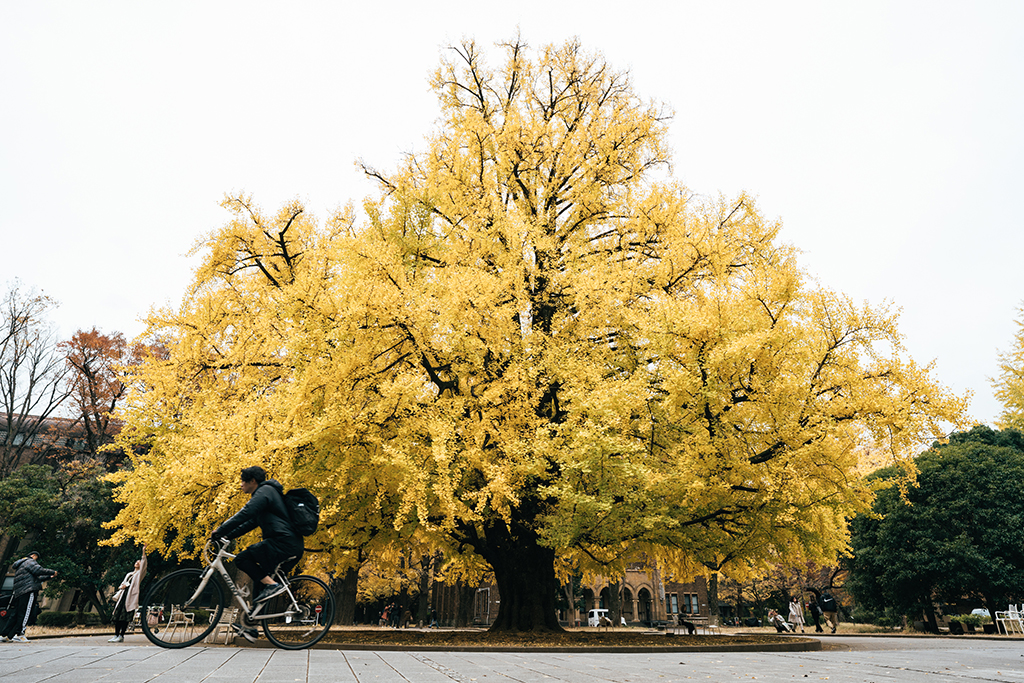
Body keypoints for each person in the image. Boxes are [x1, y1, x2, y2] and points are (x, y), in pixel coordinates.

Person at [211, 466, 303, 641]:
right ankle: (251, 626)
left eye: (243, 481)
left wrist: (219, 531)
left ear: (253, 481)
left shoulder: (265, 492)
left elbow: (245, 513)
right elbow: (249, 523)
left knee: (242, 559)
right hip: (285, 543)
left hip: (283, 543)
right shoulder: (265, 495)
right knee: (260, 580)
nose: (241, 485)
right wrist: (227, 536)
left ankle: (273, 586)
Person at [1, 551, 57, 643]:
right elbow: (38, 570)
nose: (36, 560)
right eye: (36, 558)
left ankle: (5, 635)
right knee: (26, 612)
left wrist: (49, 576)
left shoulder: (21, 565)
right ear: (33, 555)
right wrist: (53, 571)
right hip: (28, 590)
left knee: (16, 613)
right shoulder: (29, 561)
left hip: (19, 592)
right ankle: (19, 634)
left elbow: (37, 578)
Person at [109, 549, 147, 642]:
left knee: (124, 617)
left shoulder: (139, 574)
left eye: (139, 562)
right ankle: (116, 635)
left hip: (130, 597)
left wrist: (143, 552)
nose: (137, 563)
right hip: (123, 596)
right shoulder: (129, 574)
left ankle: (121, 635)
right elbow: (123, 583)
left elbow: (144, 563)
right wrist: (122, 586)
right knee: (117, 616)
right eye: (136, 562)